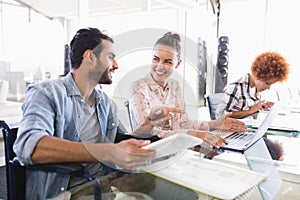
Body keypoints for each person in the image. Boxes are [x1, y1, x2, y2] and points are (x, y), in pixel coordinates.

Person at [12, 28, 184, 199]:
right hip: (66, 193)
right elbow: (29, 146)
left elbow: (119, 141)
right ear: (90, 57)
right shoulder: (47, 93)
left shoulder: (105, 103)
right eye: (111, 57)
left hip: (103, 187)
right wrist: (108, 152)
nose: (116, 65)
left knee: (178, 193)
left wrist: (150, 123)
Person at [129, 32, 247, 148]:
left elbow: (183, 124)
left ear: (178, 63)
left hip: (177, 150)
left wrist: (214, 124)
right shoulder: (139, 88)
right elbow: (145, 133)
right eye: (156, 59)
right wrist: (193, 135)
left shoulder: (175, 86)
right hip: (151, 154)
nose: (160, 65)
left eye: (168, 62)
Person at [216, 51, 290, 119]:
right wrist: (251, 111)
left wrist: (261, 106)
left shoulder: (255, 90)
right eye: (267, 83)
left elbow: (249, 112)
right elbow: (220, 116)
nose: (268, 88)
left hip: (246, 129)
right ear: (258, 74)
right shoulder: (235, 88)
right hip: (232, 132)